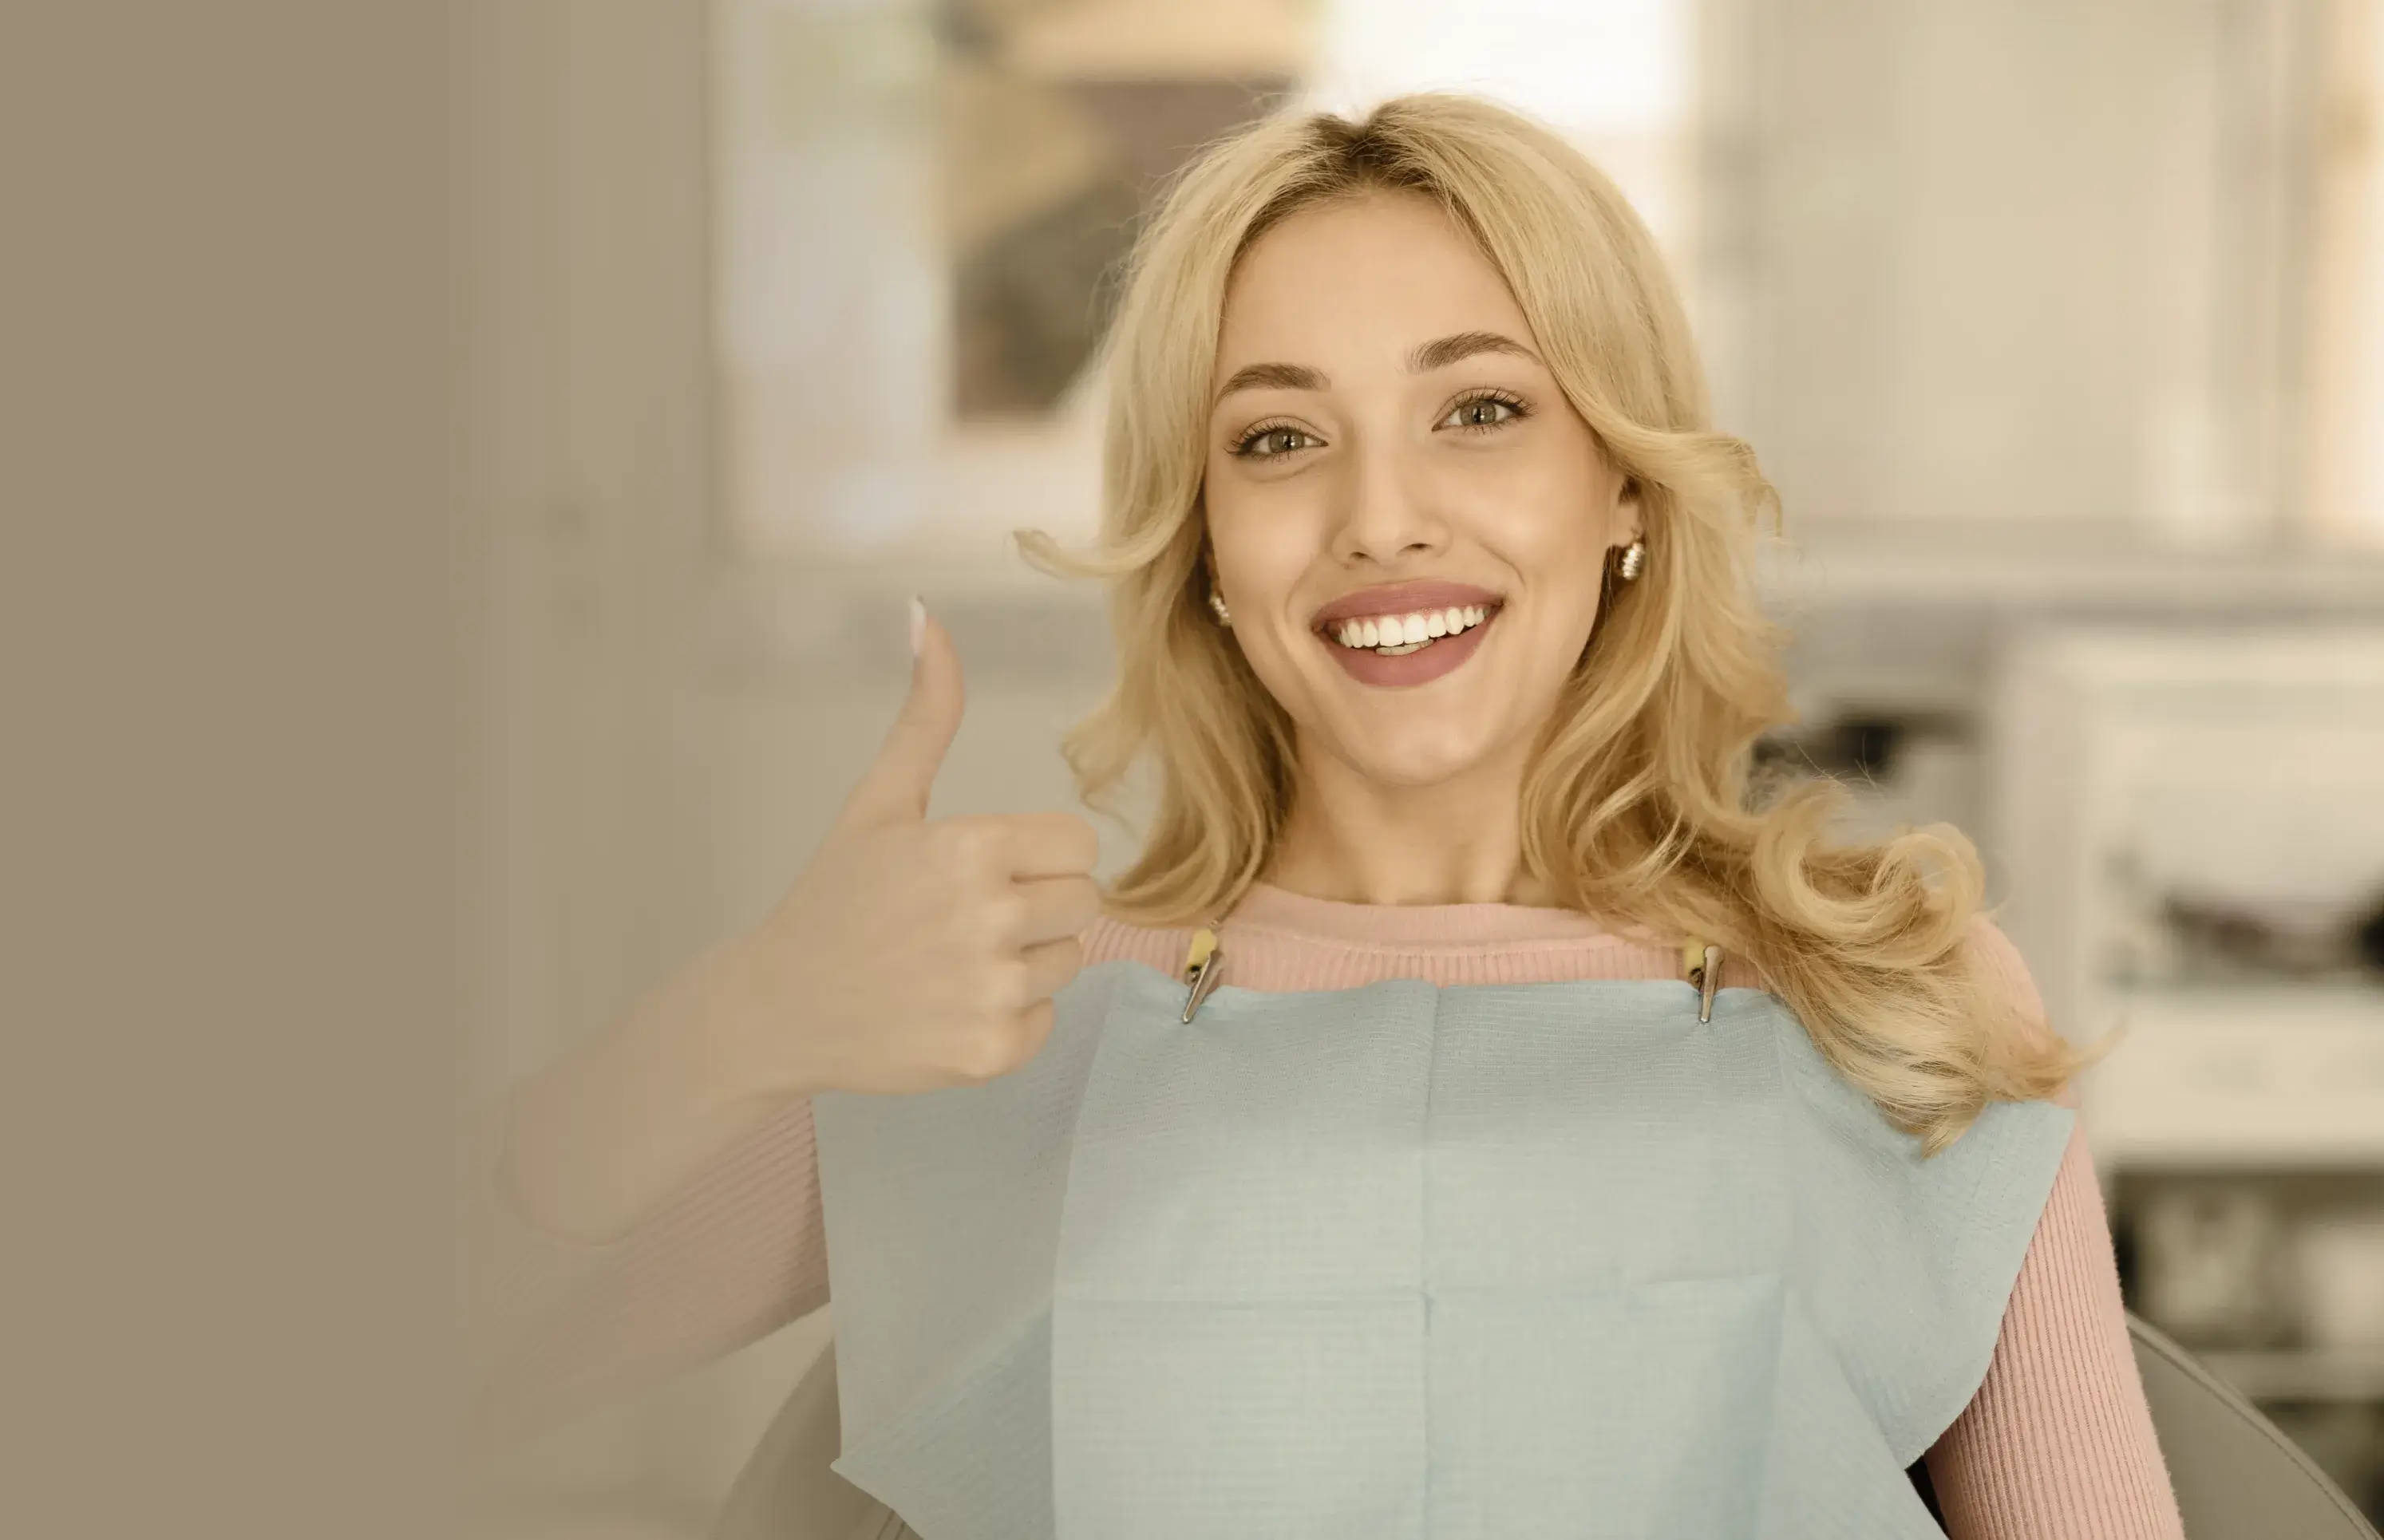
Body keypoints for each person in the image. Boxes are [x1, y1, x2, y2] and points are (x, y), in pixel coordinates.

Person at [477, 95, 2185, 1538]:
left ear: (1625, 489)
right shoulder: (998, 999)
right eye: (1280, 436)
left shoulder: (1891, 986)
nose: (1382, 515)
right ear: (1206, 540)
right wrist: (740, 1021)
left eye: (1483, 410)